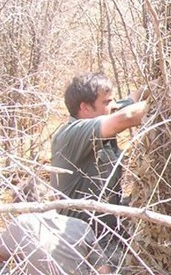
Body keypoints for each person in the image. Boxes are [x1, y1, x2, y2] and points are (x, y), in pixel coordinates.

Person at [50, 72, 150, 264]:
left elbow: (134, 97)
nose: (113, 106)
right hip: (82, 241)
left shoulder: (105, 111)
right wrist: (169, 103)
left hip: (108, 227)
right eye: (107, 102)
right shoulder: (72, 134)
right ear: (85, 108)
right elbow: (125, 118)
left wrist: (162, 84)